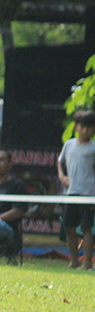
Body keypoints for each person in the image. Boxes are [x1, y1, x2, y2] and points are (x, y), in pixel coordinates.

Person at [57, 109, 95, 270]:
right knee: (69, 227)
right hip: (71, 193)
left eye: (90, 127)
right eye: (83, 126)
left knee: (87, 227)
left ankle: (87, 263)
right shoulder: (69, 145)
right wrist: (61, 176)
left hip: (88, 194)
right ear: (76, 127)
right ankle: (73, 261)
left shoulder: (93, 148)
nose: (86, 130)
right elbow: (60, 161)